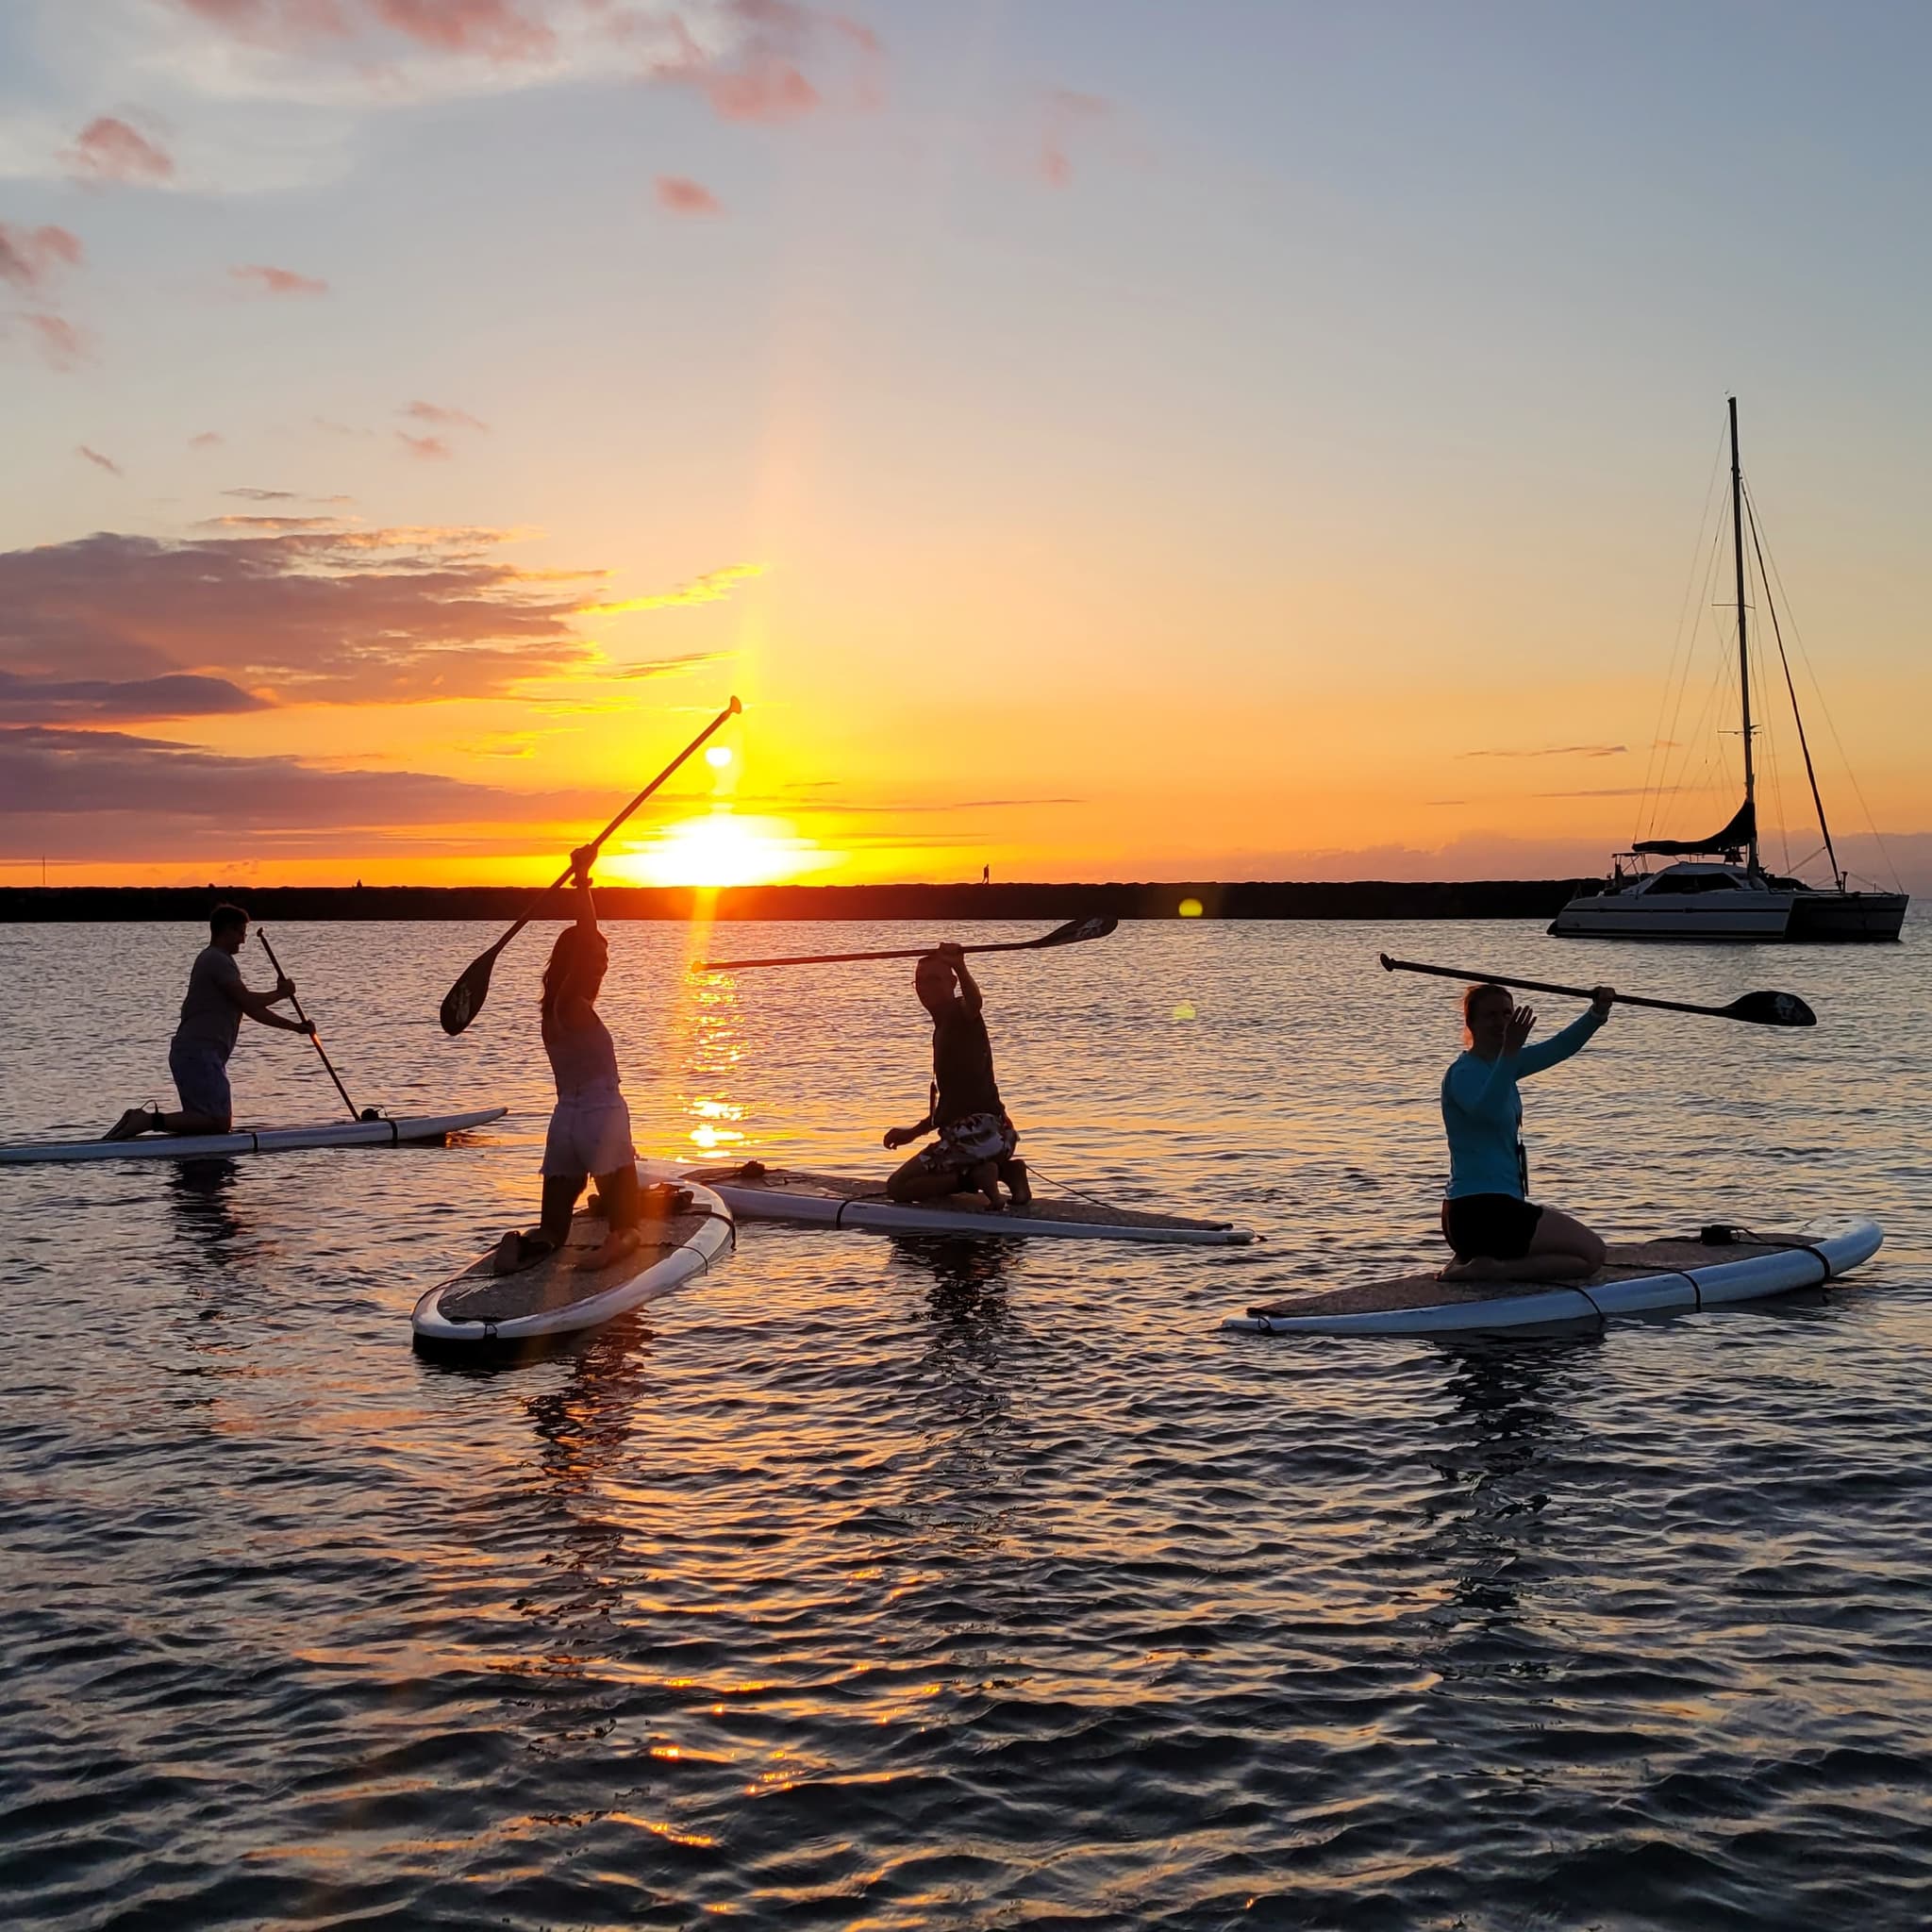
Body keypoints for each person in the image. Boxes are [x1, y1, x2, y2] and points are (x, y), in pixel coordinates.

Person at [494, 846, 641, 1274]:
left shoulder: (551, 1014)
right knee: (628, 1226)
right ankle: (615, 1244)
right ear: (578, 961)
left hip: (564, 1123)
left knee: (552, 1231)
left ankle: (522, 1245)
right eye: (597, 959)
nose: (602, 965)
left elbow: (587, 947)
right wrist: (582, 880)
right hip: (602, 1117)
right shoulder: (571, 1005)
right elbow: (587, 939)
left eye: (605, 959)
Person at [1438, 979, 1615, 1282]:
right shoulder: (1464, 1072)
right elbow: (1487, 1112)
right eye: (1491, 1015)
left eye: (1507, 1014)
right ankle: (1491, 1270)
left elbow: (1559, 1047)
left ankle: (1479, 1261)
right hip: (1479, 1212)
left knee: (1579, 1254)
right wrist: (1510, 1052)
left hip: (1492, 1212)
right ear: (1471, 1023)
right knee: (1593, 1255)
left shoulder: (1507, 1065)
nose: (1501, 1022)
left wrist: (1597, 1013)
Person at [105, 904, 313, 1140]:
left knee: (204, 1121)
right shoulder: (216, 960)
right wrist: (281, 994)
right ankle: (146, 1120)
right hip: (198, 1053)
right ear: (226, 930)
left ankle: (144, 1126)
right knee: (218, 1122)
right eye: (240, 933)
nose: (243, 940)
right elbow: (247, 1000)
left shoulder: (219, 961)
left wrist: (295, 1027)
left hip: (200, 1054)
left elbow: (252, 1009)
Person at [882, 943, 1029, 1209]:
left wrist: (960, 966)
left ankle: (976, 1176)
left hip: (976, 1137)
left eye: (934, 979)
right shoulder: (942, 1025)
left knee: (898, 1187)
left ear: (952, 983)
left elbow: (974, 1003)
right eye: (920, 981)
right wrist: (912, 1133)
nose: (925, 987)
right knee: (922, 1176)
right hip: (999, 1134)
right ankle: (1009, 1172)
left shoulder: (960, 1013)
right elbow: (949, 1107)